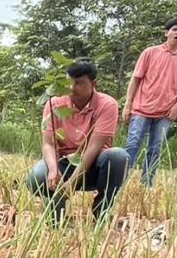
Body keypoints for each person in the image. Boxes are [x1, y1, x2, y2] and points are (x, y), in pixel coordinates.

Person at [26, 59, 128, 222]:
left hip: (94, 165)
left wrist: (73, 182)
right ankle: (56, 210)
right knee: (36, 177)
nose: (72, 88)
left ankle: (101, 211)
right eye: (69, 82)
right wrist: (53, 170)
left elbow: (94, 147)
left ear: (94, 84)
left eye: (79, 83)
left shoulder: (108, 105)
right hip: (64, 163)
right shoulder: (54, 103)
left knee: (118, 156)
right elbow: (48, 143)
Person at [122, 17, 177, 186]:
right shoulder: (150, 52)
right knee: (132, 145)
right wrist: (128, 104)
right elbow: (135, 79)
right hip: (141, 108)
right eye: (174, 29)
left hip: (166, 112)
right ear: (166, 32)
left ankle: (146, 185)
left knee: (155, 148)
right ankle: (120, 182)